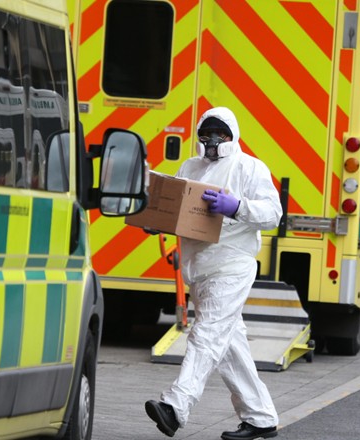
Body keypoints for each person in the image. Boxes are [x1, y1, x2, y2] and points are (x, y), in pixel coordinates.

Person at [144, 107, 282, 440]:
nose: (212, 141)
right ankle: (261, 417)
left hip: (232, 265)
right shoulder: (190, 167)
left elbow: (273, 213)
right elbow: (176, 208)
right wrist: (155, 221)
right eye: (206, 134)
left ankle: (176, 406)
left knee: (206, 335)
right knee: (230, 346)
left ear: (232, 136)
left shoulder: (249, 167)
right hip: (201, 270)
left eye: (219, 134)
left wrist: (236, 207)